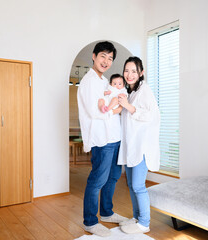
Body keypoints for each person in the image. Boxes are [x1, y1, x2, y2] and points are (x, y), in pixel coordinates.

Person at [77, 41, 128, 237]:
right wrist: (115, 110)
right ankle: (90, 221)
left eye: (110, 58)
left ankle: (106, 212)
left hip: (114, 137)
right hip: (101, 140)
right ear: (94, 56)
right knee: (97, 179)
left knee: (113, 176)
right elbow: (94, 112)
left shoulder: (104, 81)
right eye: (103, 56)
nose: (106, 61)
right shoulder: (89, 81)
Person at [117, 56, 161, 234]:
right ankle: (136, 218)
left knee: (138, 185)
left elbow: (150, 115)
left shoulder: (145, 90)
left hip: (142, 147)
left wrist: (128, 106)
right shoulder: (131, 92)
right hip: (130, 147)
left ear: (141, 73)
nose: (129, 74)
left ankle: (144, 223)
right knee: (131, 185)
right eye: (127, 70)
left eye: (134, 71)